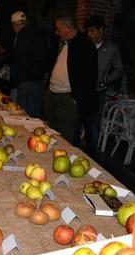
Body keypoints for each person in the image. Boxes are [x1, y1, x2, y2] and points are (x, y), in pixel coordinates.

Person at [44, 12, 98, 156]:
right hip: (53, 93)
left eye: (58, 28)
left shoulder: (85, 45)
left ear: (67, 28)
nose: (57, 32)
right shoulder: (64, 44)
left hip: (67, 97)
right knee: (49, 133)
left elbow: (89, 76)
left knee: (64, 138)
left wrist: (76, 97)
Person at [85, 15, 124, 152]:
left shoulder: (112, 48)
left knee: (94, 125)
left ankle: (90, 156)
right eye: (88, 31)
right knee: (77, 124)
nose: (89, 34)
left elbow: (119, 69)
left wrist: (106, 79)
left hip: (98, 92)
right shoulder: (85, 45)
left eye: (92, 31)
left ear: (101, 30)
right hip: (82, 90)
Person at [10, 11, 50, 118]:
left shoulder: (22, 36)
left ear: (17, 24)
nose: (14, 29)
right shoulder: (39, 34)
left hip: (26, 81)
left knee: (24, 115)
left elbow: (20, 59)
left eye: (13, 26)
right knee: (34, 115)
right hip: (38, 81)